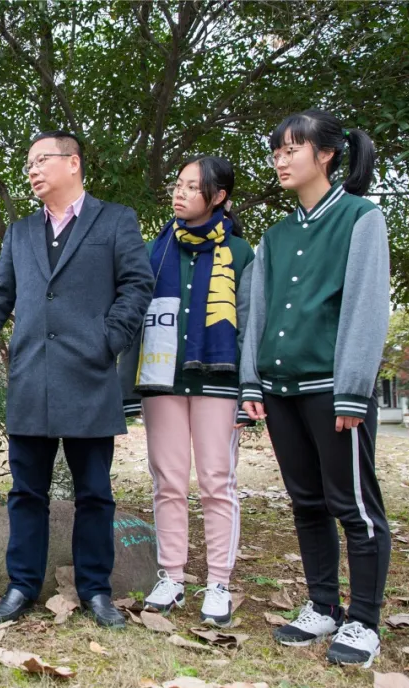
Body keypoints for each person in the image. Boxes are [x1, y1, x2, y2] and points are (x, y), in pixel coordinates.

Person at [0, 131, 153, 629]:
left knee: (94, 493)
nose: (32, 170)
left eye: (41, 160)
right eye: (28, 163)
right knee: (26, 492)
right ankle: (22, 586)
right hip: (31, 377)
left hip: (90, 375)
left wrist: (108, 340)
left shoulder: (115, 220)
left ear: (73, 163)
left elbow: (137, 285)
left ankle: (96, 591)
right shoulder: (20, 233)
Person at [241, 109, 390, 667]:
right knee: (306, 502)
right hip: (281, 389)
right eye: (276, 151)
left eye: (292, 149)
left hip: (334, 390)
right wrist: (251, 382)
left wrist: (353, 388)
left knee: (353, 505)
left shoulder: (360, 218)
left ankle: (364, 621)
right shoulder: (275, 236)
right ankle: (323, 606)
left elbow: (366, 307)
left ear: (325, 154)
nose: (280, 160)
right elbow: (257, 313)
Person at [120, 156, 254, 627]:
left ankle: (219, 582)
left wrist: (250, 387)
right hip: (163, 379)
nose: (180, 193)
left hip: (219, 379)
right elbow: (133, 312)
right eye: (178, 184)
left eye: (192, 187)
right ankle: (172, 576)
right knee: (168, 480)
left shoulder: (240, 252)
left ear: (218, 197)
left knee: (217, 481)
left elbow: (249, 323)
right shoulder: (153, 252)